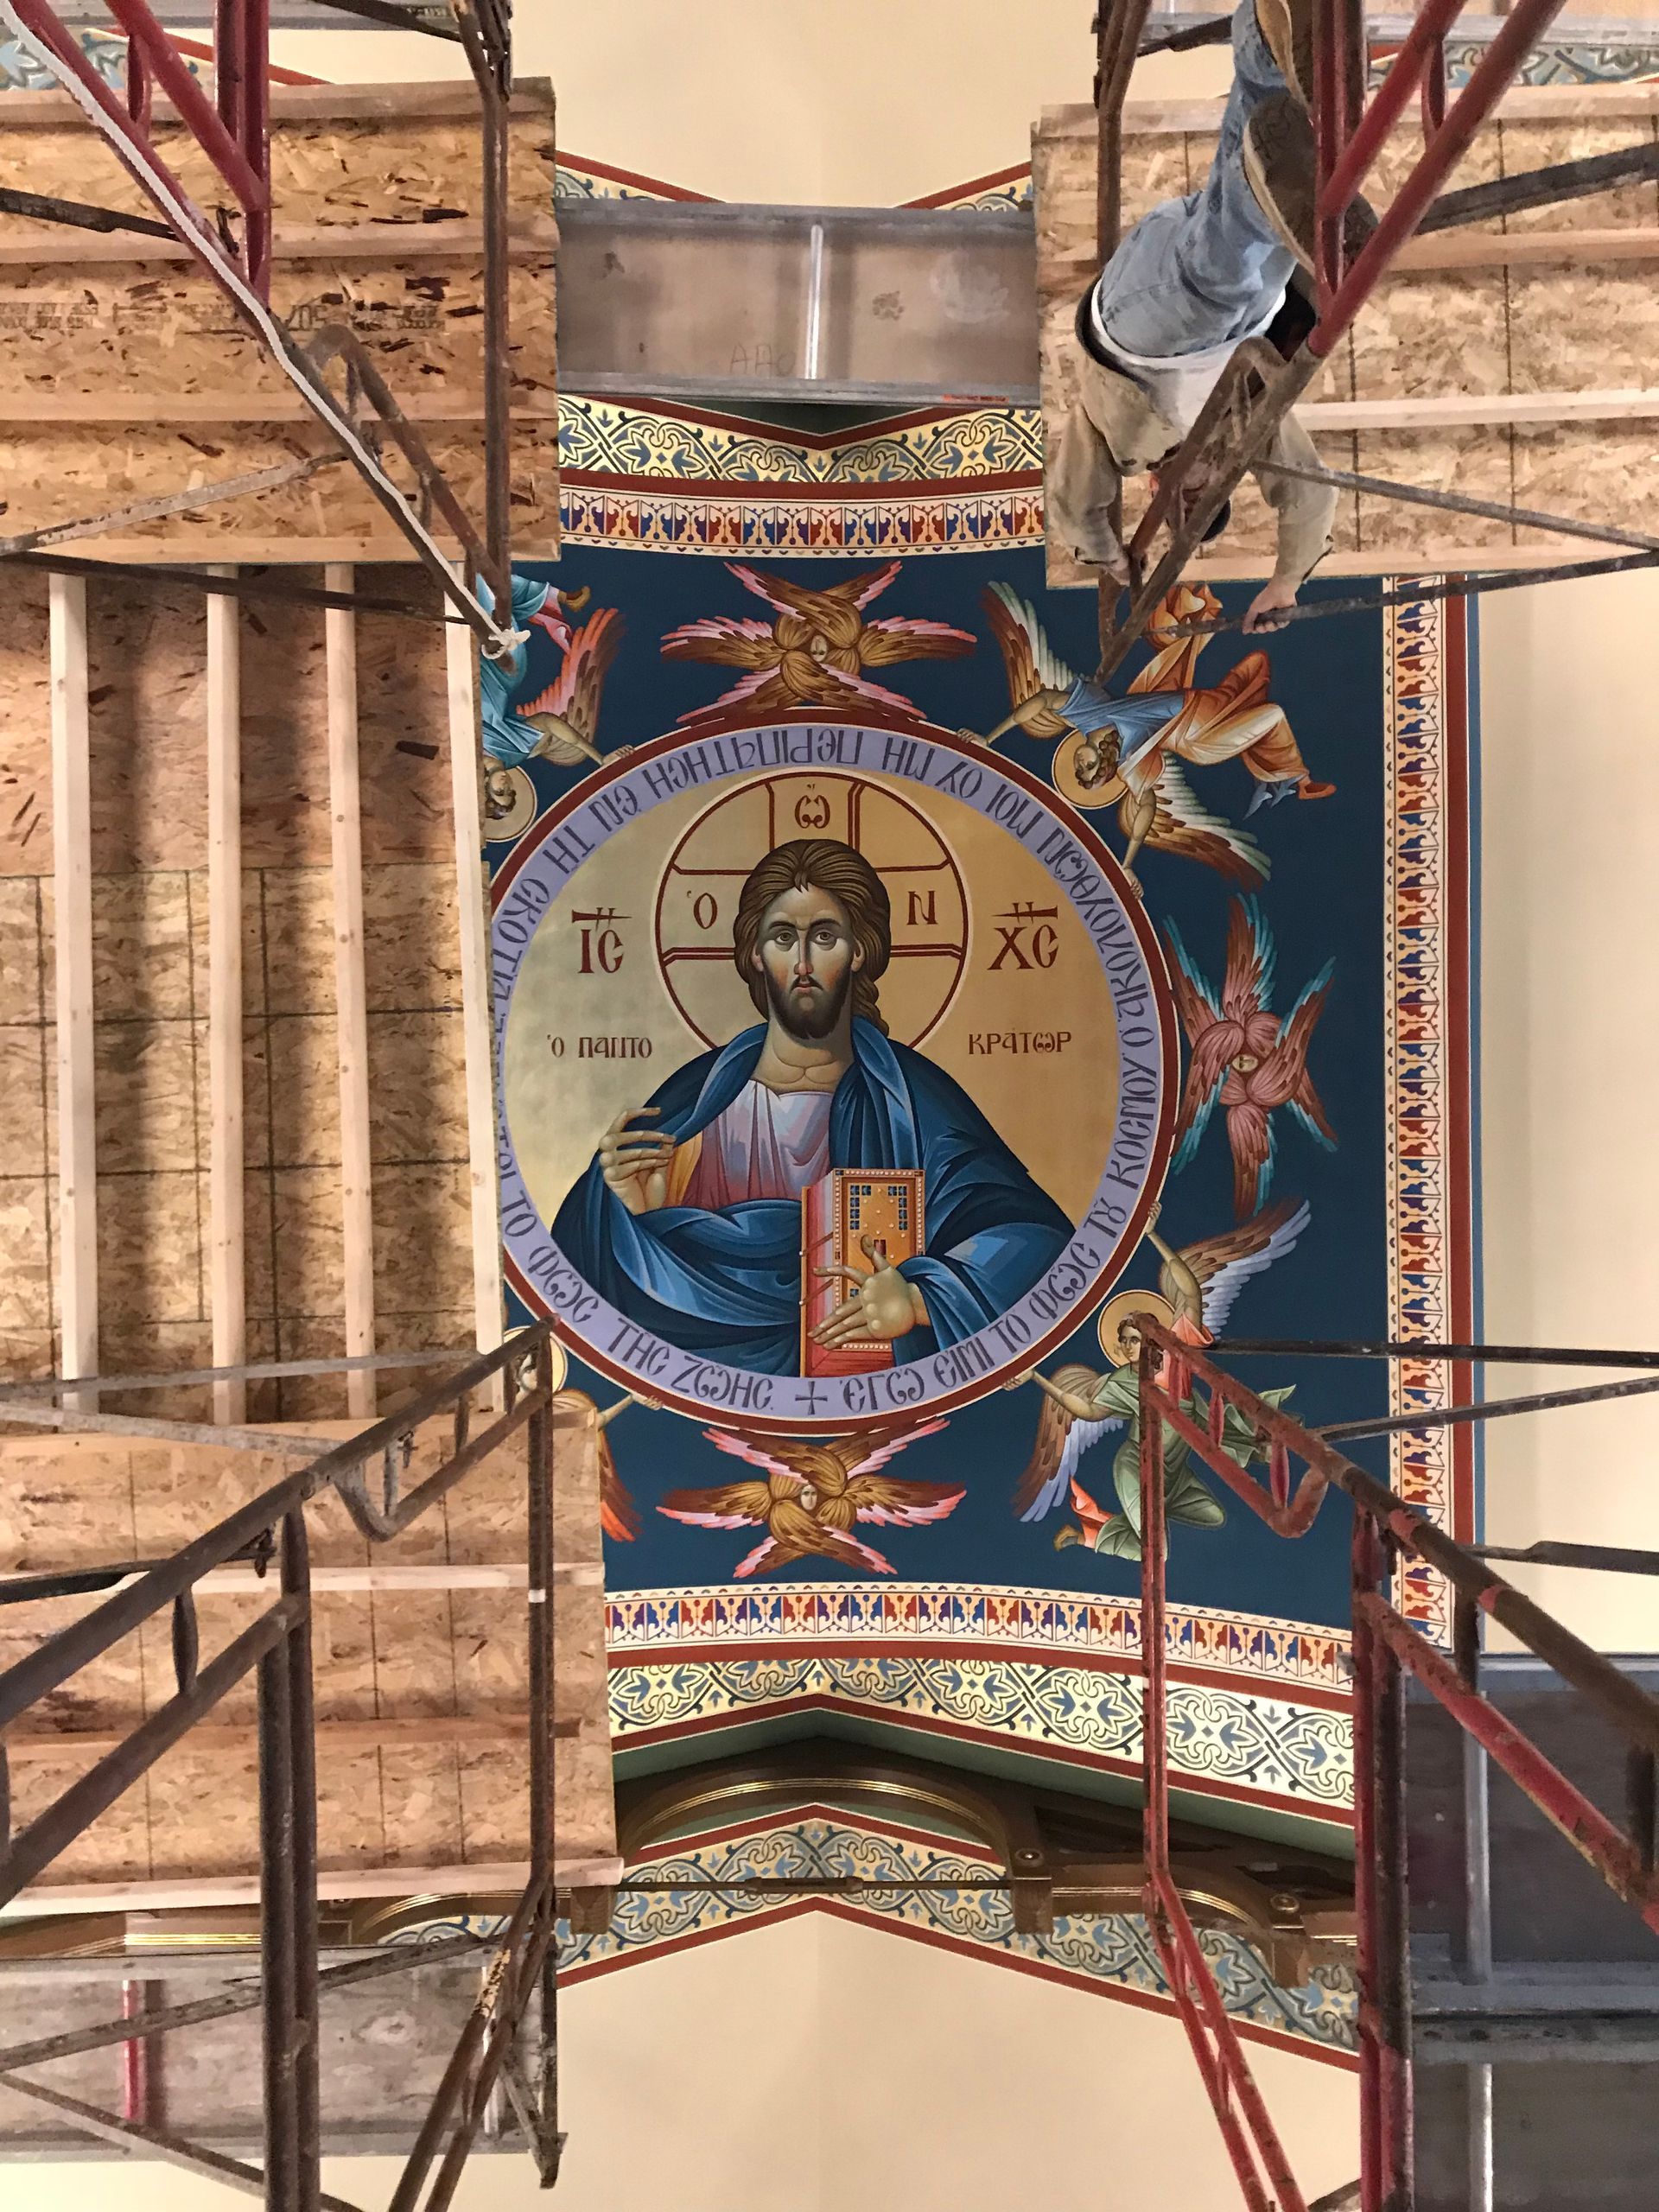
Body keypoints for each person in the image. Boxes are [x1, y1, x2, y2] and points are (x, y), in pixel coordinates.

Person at [551, 839, 1071, 1375]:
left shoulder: (914, 1100)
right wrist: (632, 1214)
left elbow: (1036, 1242)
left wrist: (919, 1302)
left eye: (824, 937)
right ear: (755, 953)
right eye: (782, 938)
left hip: (865, 1376)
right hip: (710, 1376)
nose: (802, 962)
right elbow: (586, 1280)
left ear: (860, 950)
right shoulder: (693, 1102)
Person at [1048, 0, 1367, 634]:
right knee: (1258, 168)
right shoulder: (1244, 427)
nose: (1203, 487)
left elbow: (1075, 505)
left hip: (1137, 329)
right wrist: (1285, 582)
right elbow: (1309, 490)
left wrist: (1107, 558)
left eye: (1189, 500)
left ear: (1158, 490)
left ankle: (1265, 189)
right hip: (1216, 286)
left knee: (1228, 279)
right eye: (1217, 491)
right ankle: (1268, 23)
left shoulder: (1124, 450)